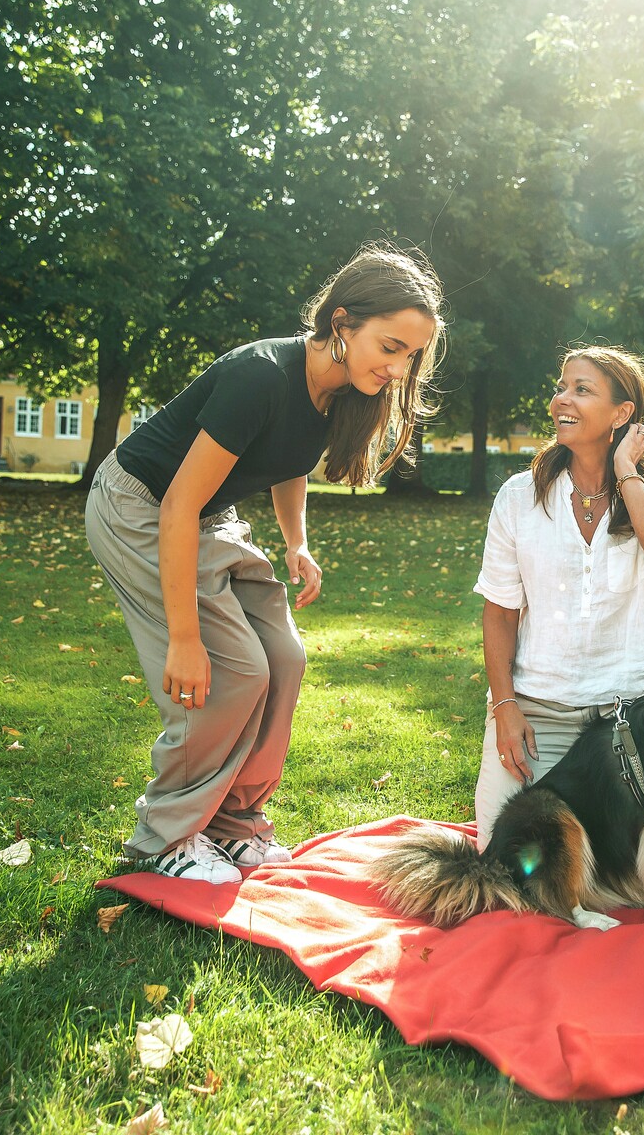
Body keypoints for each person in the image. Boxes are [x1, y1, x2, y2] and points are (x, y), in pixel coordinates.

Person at [85, 245, 445, 883]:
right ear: (341, 323)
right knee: (233, 672)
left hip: (203, 515)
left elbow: (290, 462)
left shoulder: (338, 393)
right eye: (390, 346)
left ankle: (231, 823)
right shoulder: (261, 375)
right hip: (142, 507)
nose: (398, 367)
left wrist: (295, 542)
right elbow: (175, 507)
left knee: (283, 657)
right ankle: (165, 838)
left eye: (409, 355)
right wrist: (185, 639)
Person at [472, 347, 644, 847]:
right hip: (539, 711)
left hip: (632, 716)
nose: (563, 399)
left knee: (641, 873)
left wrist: (626, 469)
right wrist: (505, 707)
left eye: (582, 390)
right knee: (506, 857)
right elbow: (499, 612)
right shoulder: (519, 496)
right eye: (562, 387)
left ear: (621, 415)